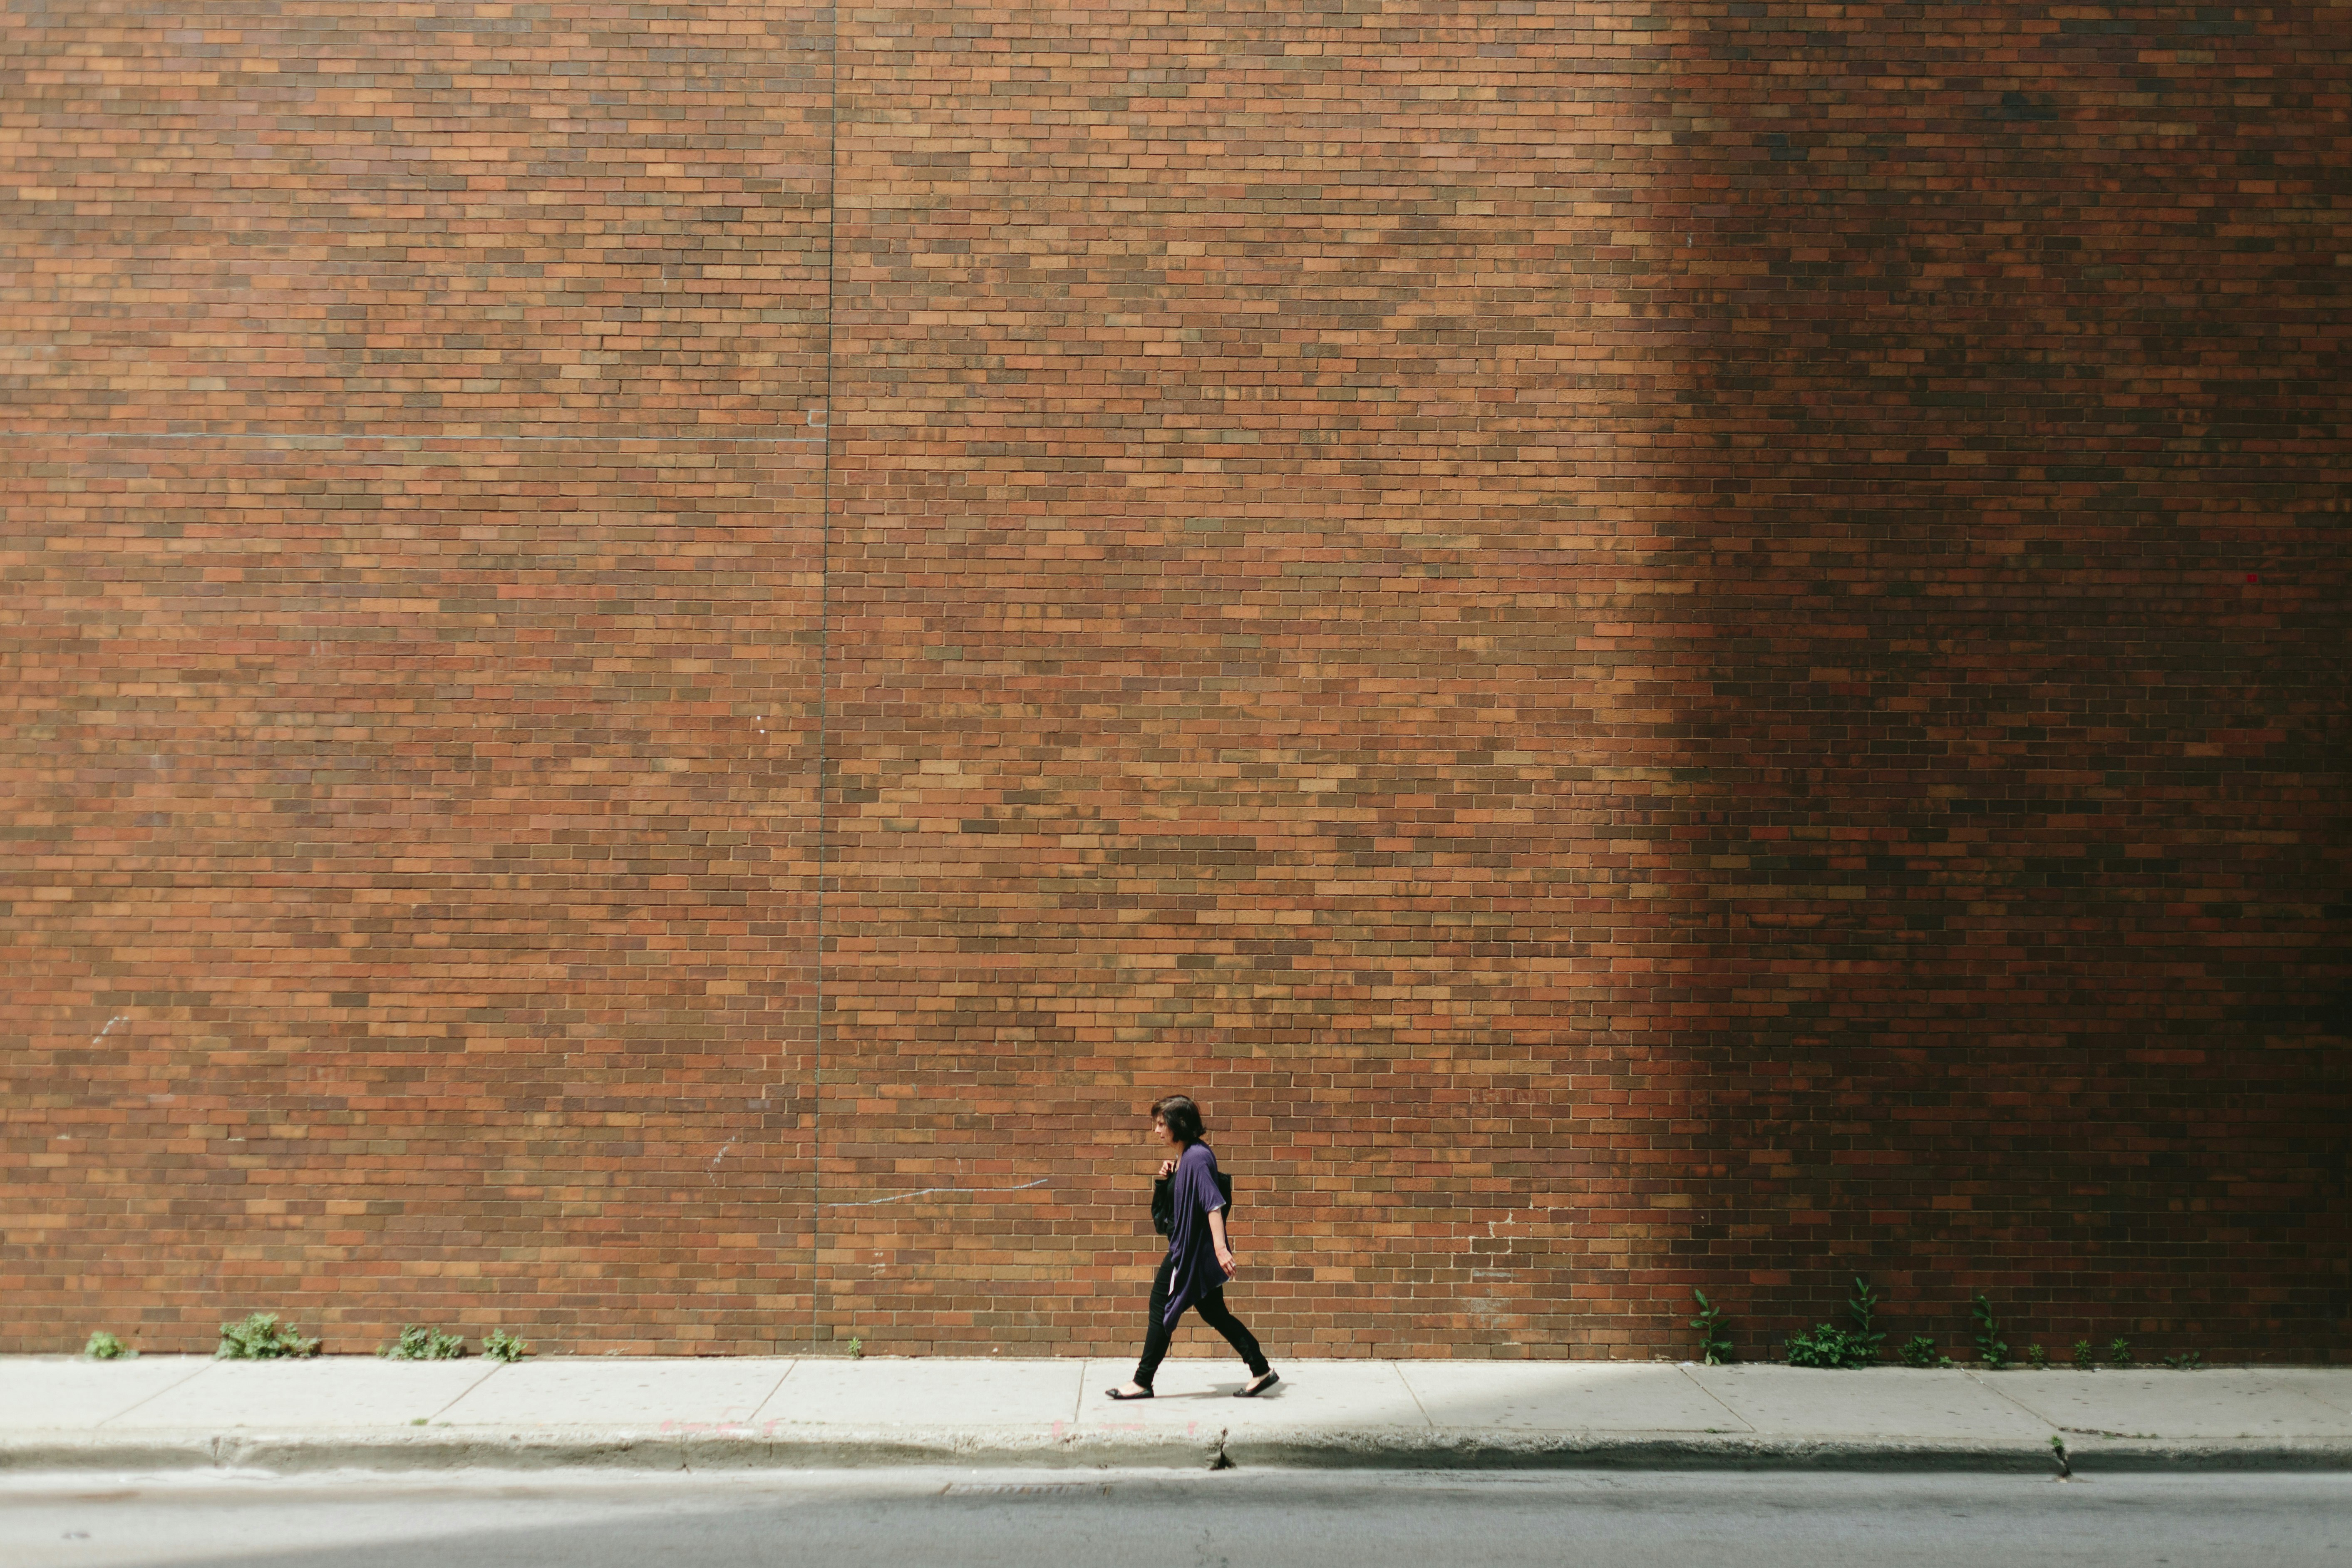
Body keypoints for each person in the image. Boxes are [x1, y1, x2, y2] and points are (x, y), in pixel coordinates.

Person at [1105, 1094, 1278, 1400]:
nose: (1157, 1131)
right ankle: (1260, 1369)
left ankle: (1143, 1381)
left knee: (1161, 1309)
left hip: (1189, 1255)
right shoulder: (1188, 1156)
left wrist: (1222, 1251)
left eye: (1162, 1124)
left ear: (1178, 1124)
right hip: (1195, 1252)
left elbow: (1212, 1204)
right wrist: (1167, 1179)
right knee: (1216, 1314)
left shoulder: (1197, 1157)